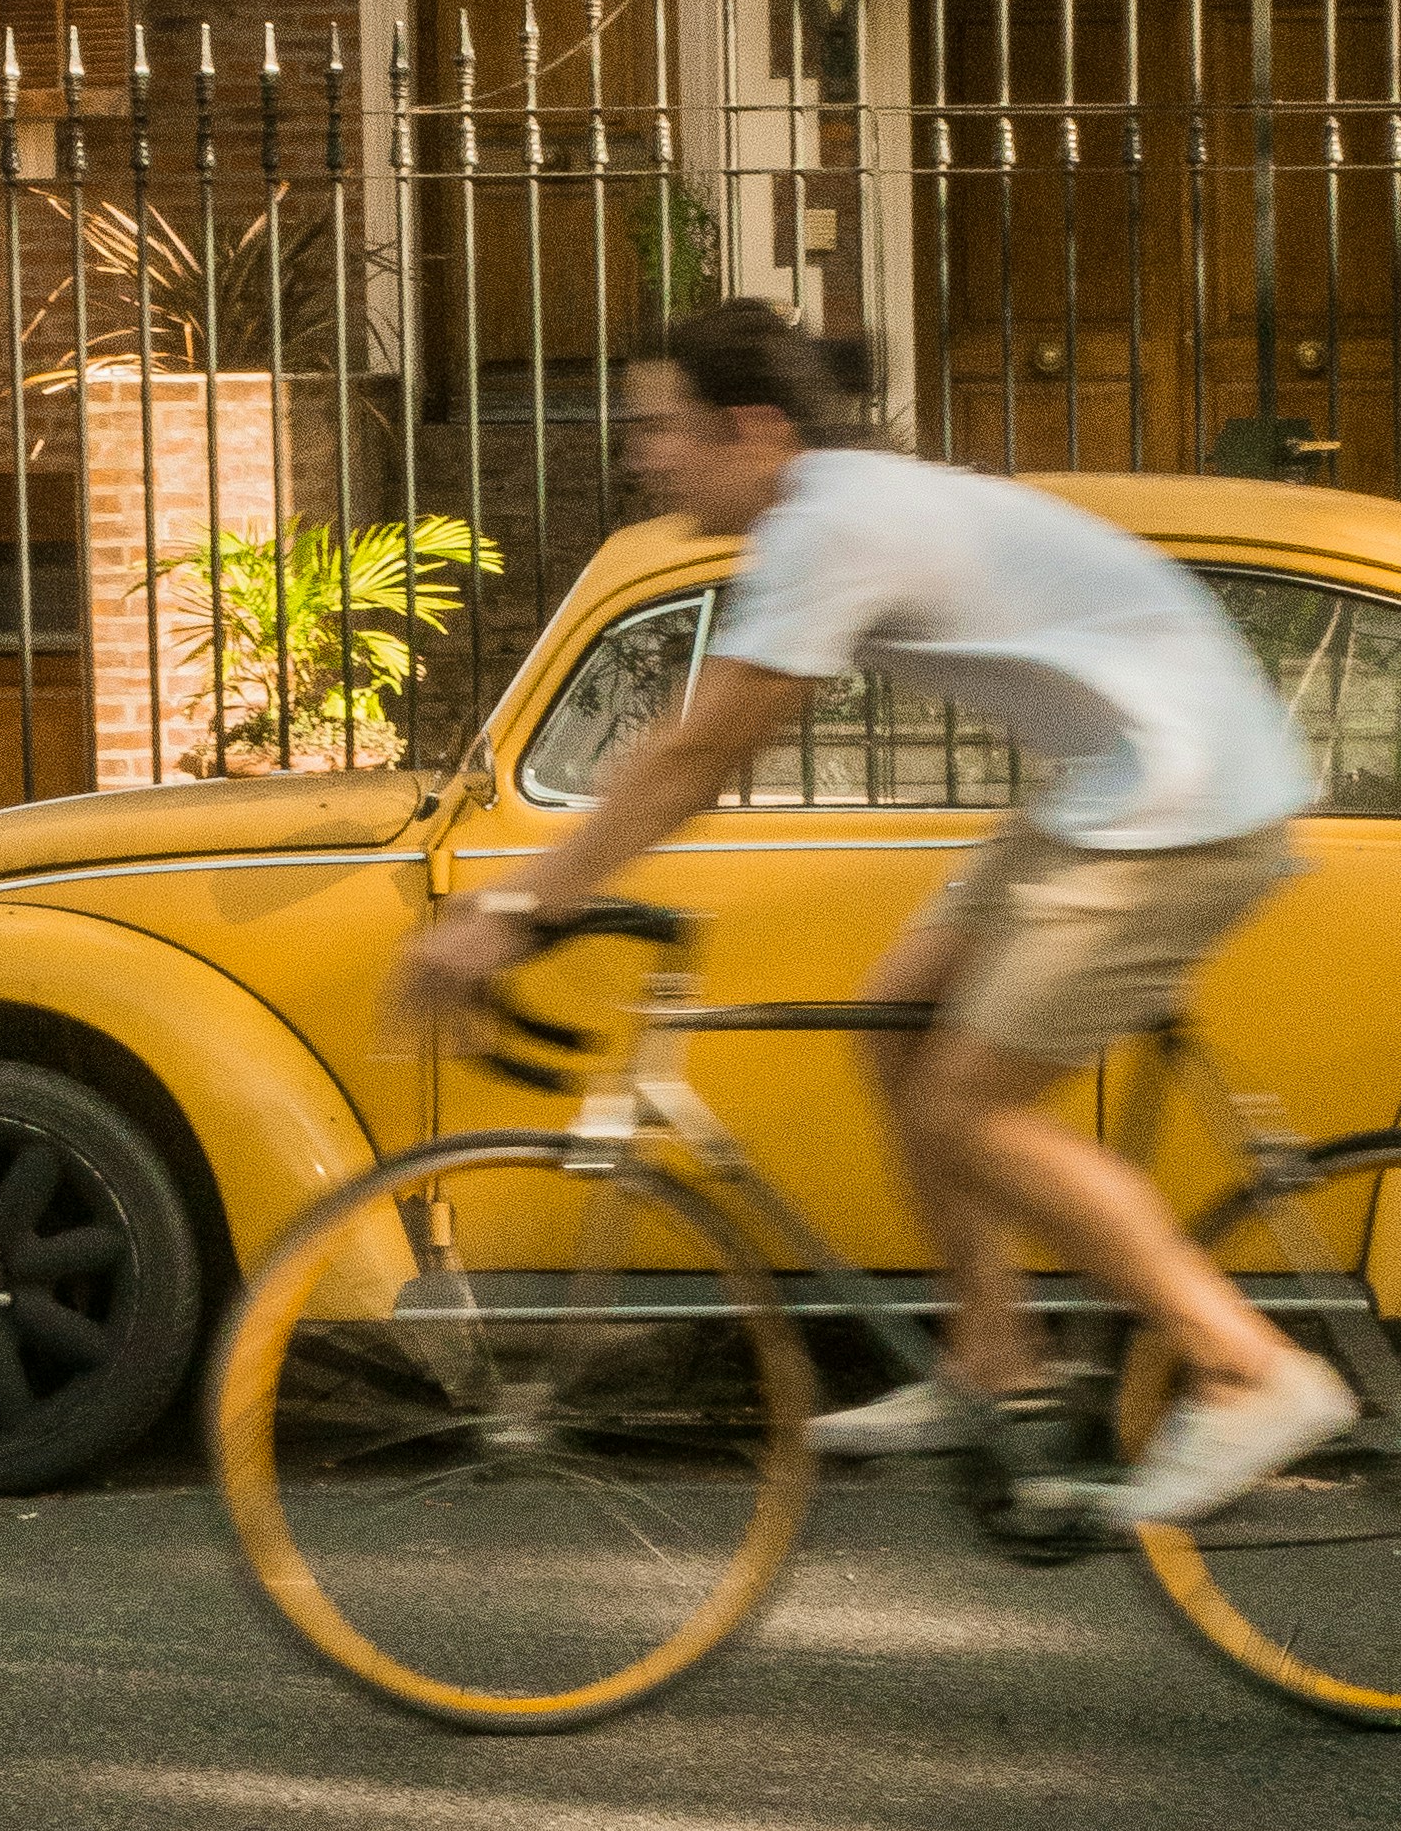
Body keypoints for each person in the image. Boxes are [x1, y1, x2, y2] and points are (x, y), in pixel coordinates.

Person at [392, 301, 1350, 1524]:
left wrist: (515, 908)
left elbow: (700, 754)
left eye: (659, 428)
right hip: (1115, 784)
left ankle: (1248, 1367)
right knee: (896, 1022)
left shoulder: (829, 526)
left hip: (1182, 803)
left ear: (752, 428)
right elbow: (696, 743)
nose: (640, 457)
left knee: (971, 1106)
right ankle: (992, 1362)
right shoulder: (829, 512)